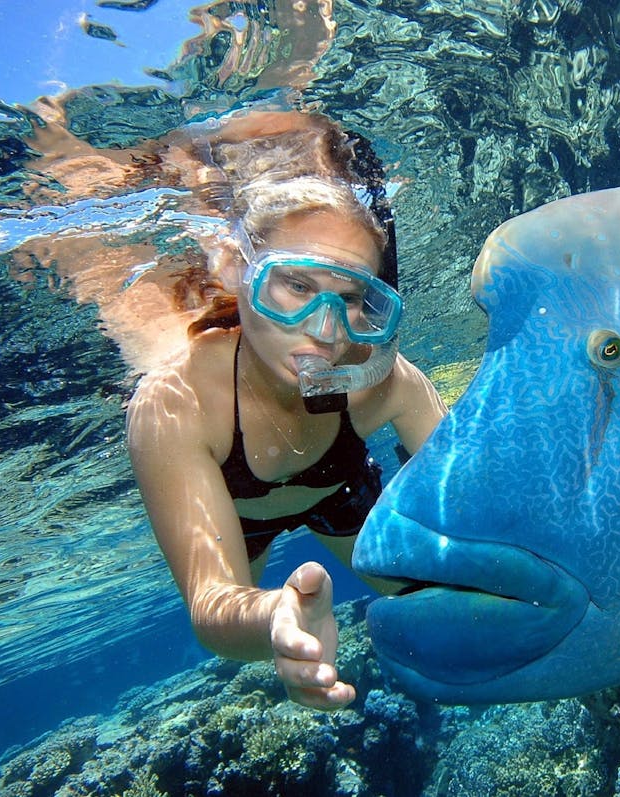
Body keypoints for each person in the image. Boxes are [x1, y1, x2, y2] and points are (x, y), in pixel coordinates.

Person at [125, 111, 447, 710]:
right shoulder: (179, 403)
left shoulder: (382, 383)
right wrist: (276, 615)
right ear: (234, 269)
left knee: (425, 597)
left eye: (351, 299)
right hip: (243, 518)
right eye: (295, 287)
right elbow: (213, 606)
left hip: (336, 488)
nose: (323, 333)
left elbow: (477, 490)